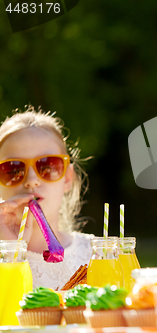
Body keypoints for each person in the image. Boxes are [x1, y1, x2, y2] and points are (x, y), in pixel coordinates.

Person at [0, 106, 91, 289]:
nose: (31, 181)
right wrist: (10, 254)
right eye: (14, 170)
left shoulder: (97, 255)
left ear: (67, 178)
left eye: (47, 166)